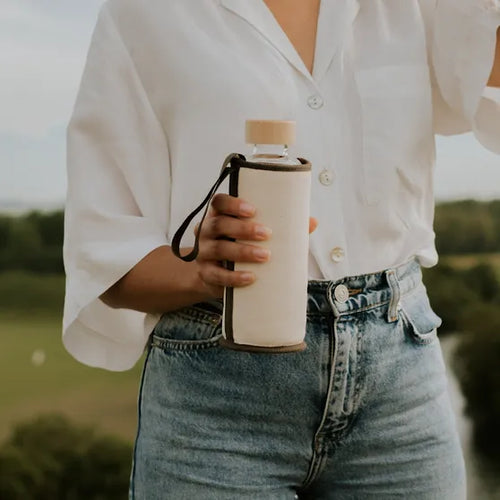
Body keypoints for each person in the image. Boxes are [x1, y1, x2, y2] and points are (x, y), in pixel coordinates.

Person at [62, 0, 500, 498]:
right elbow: (102, 249)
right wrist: (197, 271)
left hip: (399, 382)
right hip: (217, 393)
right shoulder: (145, 13)